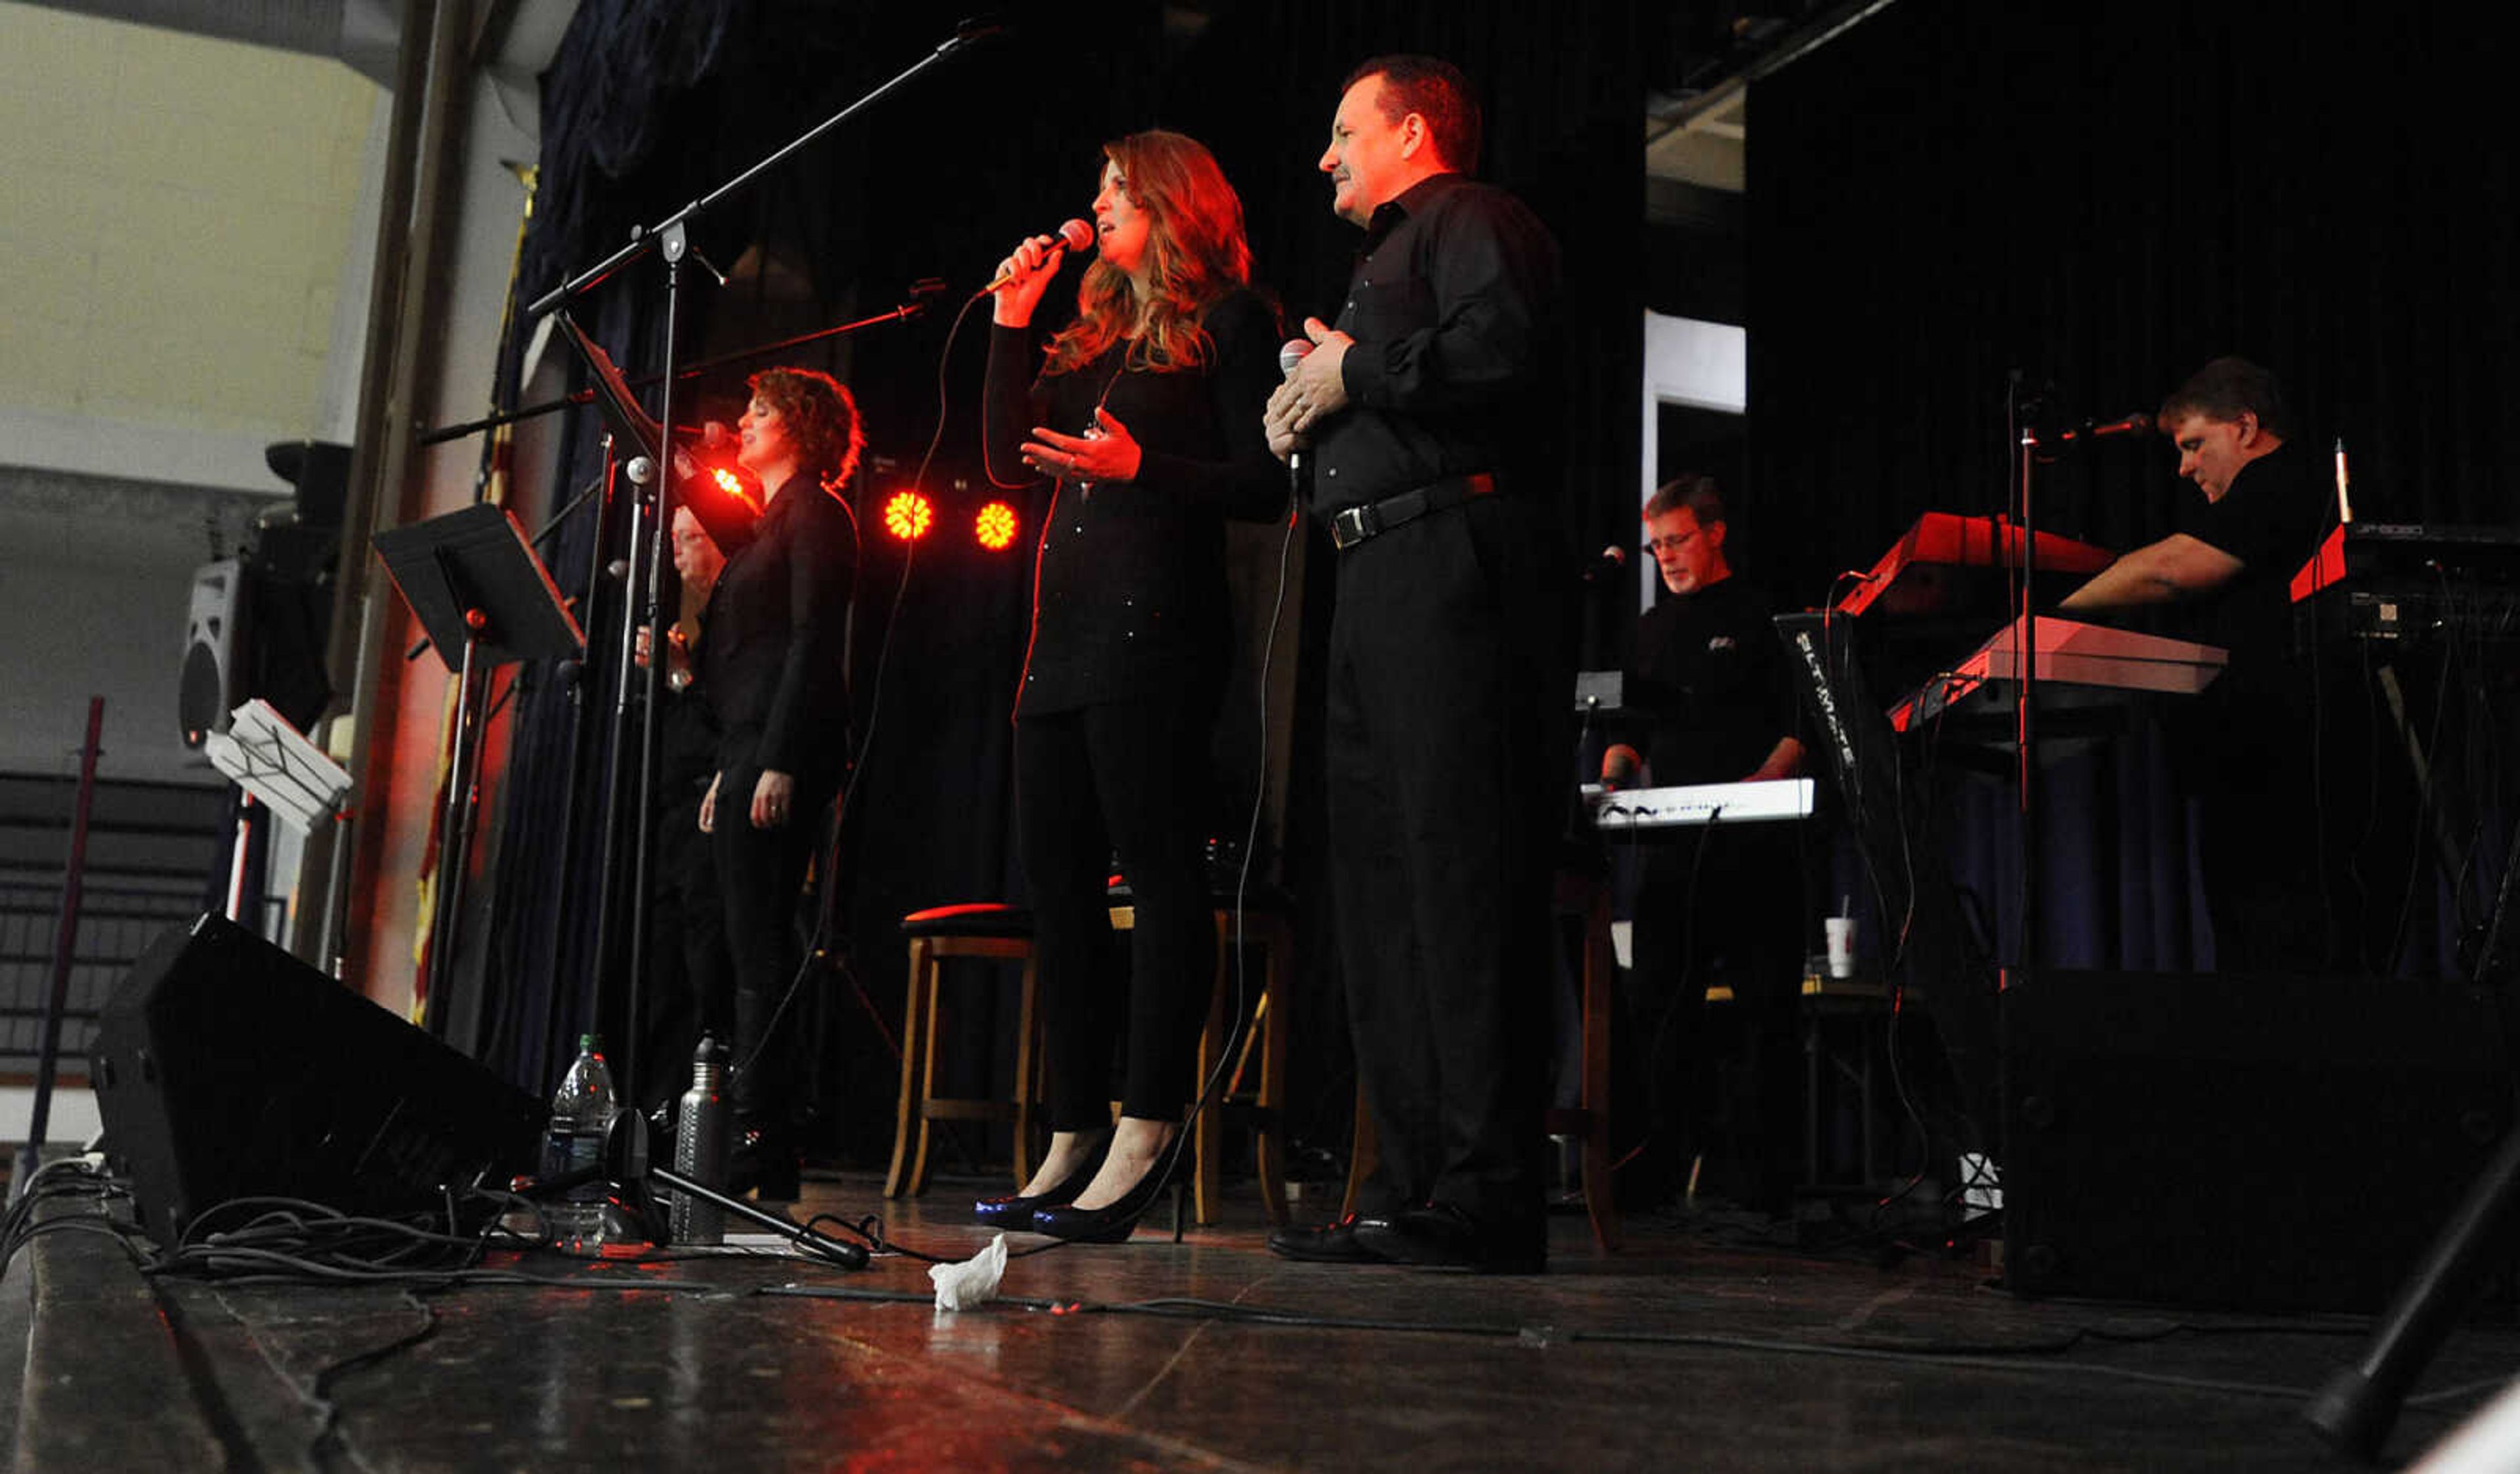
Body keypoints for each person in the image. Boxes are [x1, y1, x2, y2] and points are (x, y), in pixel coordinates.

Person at [1263, 56, 1570, 1273]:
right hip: (1370, 578)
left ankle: (1488, 1191)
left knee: (1457, 870)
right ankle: (1410, 1179)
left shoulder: (1474, 218)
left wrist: (1357, 372)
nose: (1327, 156)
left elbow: (1499, 352)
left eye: (1345, 131)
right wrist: (1317, 394)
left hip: (1451, 563)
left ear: (1411, 128)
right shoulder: (1379, 262)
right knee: (1379, 889)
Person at [976, 129, 1286, 1242]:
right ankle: (1071, 1129)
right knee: (1056, 885)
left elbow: (1266, 481)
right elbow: (1010, 459)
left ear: (1168, 200)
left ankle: (1148, 1125)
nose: (1096, 203)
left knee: (1157, 880)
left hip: (1158, 632)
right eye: (1097, 185)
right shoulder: (1099, 328)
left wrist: (1142, 467)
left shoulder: (1234, 321)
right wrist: (1013, 324)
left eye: (1115, 188)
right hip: (1058, 642)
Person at [2059, 356, 2382, 972]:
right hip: (2266, 773)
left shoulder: (2284, 479)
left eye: (2194, 444)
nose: (2184, 468)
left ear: (2244, 425)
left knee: (2286, 969)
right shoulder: (2266, 501)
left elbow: (2171, 569)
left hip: (2291, 781)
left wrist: (2043, 605)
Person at [1598, 476, 1807, 1211]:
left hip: (1756, 842)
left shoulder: (1762, 613)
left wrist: (1762, 781)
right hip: (1673, 847)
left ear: (1716, 532)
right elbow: (1627, 728)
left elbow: (1800, 717)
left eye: (1678, 540)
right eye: (1657, 546)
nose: (1667, 557)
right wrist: (1615, 780)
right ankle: (1654, 1173)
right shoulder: (1652, 626)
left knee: (1761, 1011)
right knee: (1657, 1002)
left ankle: (1759, 1186)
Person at [690, 367, 860, 1198]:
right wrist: (733, 762)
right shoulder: (774, 521)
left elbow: (811, 642)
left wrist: (782, 758)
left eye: (761, 410)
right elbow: (755, 661)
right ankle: (747, 1133)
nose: (744, 420)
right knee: (738, 941)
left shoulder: (817, 515)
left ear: (800, 425)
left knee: (760, 947)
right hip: (750, 746)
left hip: (779, 748)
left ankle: (763, 1139)